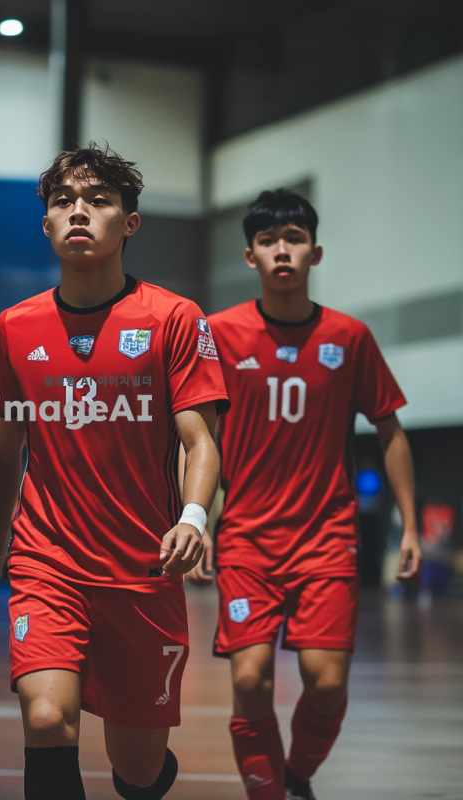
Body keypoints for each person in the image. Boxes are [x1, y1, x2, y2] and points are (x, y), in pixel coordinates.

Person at [0, 144, 229, 800]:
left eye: (98, 200)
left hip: (142, 569)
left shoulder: (174, 319)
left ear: (130, 222)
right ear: (46, 224)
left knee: (139, 770)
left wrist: (193, 518)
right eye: (64, 201)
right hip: (47, 559)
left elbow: (200, 440)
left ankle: (147, 776)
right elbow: (3, 449)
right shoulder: (14, 327)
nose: (79, 212)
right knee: (45, 717)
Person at [189, 189, 423, 800]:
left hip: (326, 539)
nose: (282, 251)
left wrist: (410, 527)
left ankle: (295, 777)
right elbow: (196, 437)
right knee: (250, 680)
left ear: (315, 253)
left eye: (294, 239)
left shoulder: (349, 337)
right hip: (245, 540)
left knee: (326, 684)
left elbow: (391, 431)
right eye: (268, 241)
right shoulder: (220, 334)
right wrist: (195, 519)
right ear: (250, 256)